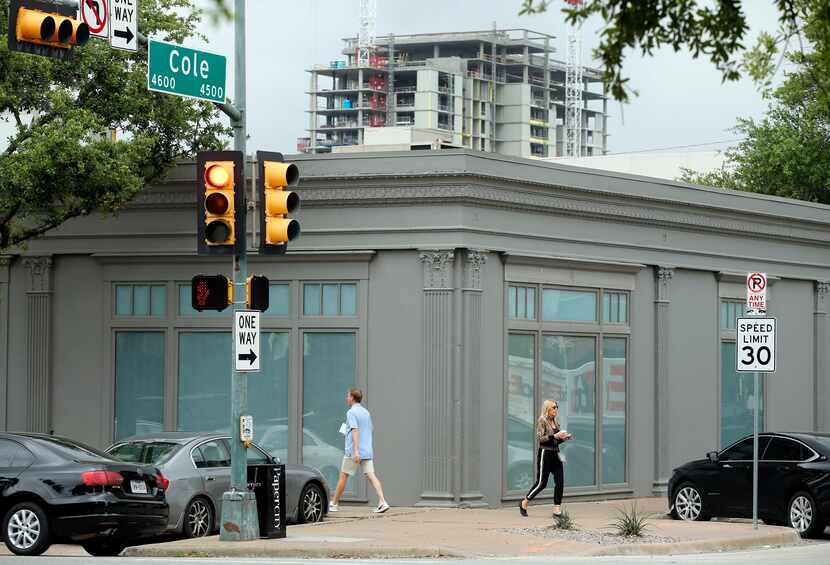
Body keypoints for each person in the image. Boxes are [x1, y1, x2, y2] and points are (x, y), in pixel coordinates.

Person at [328, 387, 390, 514]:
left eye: (347, 396)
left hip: (353, 452)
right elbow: (369, 429)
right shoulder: (366, 412)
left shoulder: (351, 412)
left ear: (352, 398)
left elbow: (355, 430)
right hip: (367, 450)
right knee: (371, 475)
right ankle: (383, 501)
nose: (346, 398)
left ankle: (334, 503)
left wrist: (355, 450)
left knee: (343, 476)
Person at [519, 399, 572, 517]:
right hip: (545, 454)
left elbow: (556, 442)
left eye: (556, 407)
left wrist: (564, 438)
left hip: (556, 454)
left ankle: (556, 509)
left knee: (560, 481)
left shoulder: (556, 422)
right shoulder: (542, 420)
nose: (556, 410)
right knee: (542, 483)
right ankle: (524, 502)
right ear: (547, 408)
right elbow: (540, 438)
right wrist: (555, 435)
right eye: (554, 407)